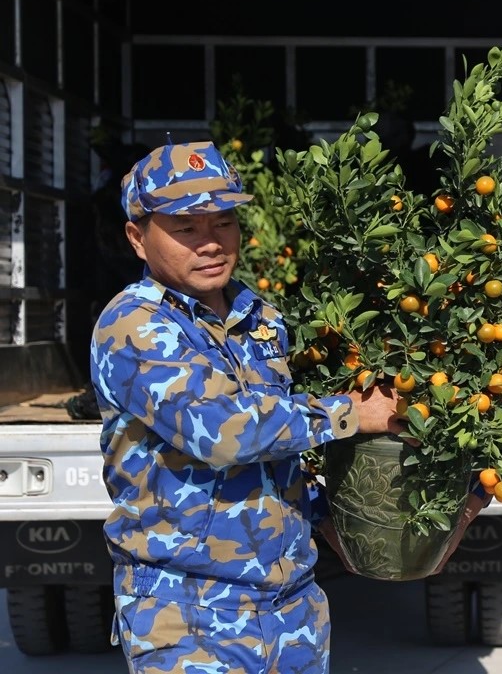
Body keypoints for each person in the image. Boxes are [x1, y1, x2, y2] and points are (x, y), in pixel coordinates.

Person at [90, 141, 405, 673]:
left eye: (224, 222)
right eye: (186, 228)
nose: (211, 242)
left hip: (291, 604)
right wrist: (352, 412)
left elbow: (278, 450)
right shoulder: (133, 325)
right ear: (138, 238)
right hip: (189, 612)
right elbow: (222, 431)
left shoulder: (259, 317)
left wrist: (334, 519)